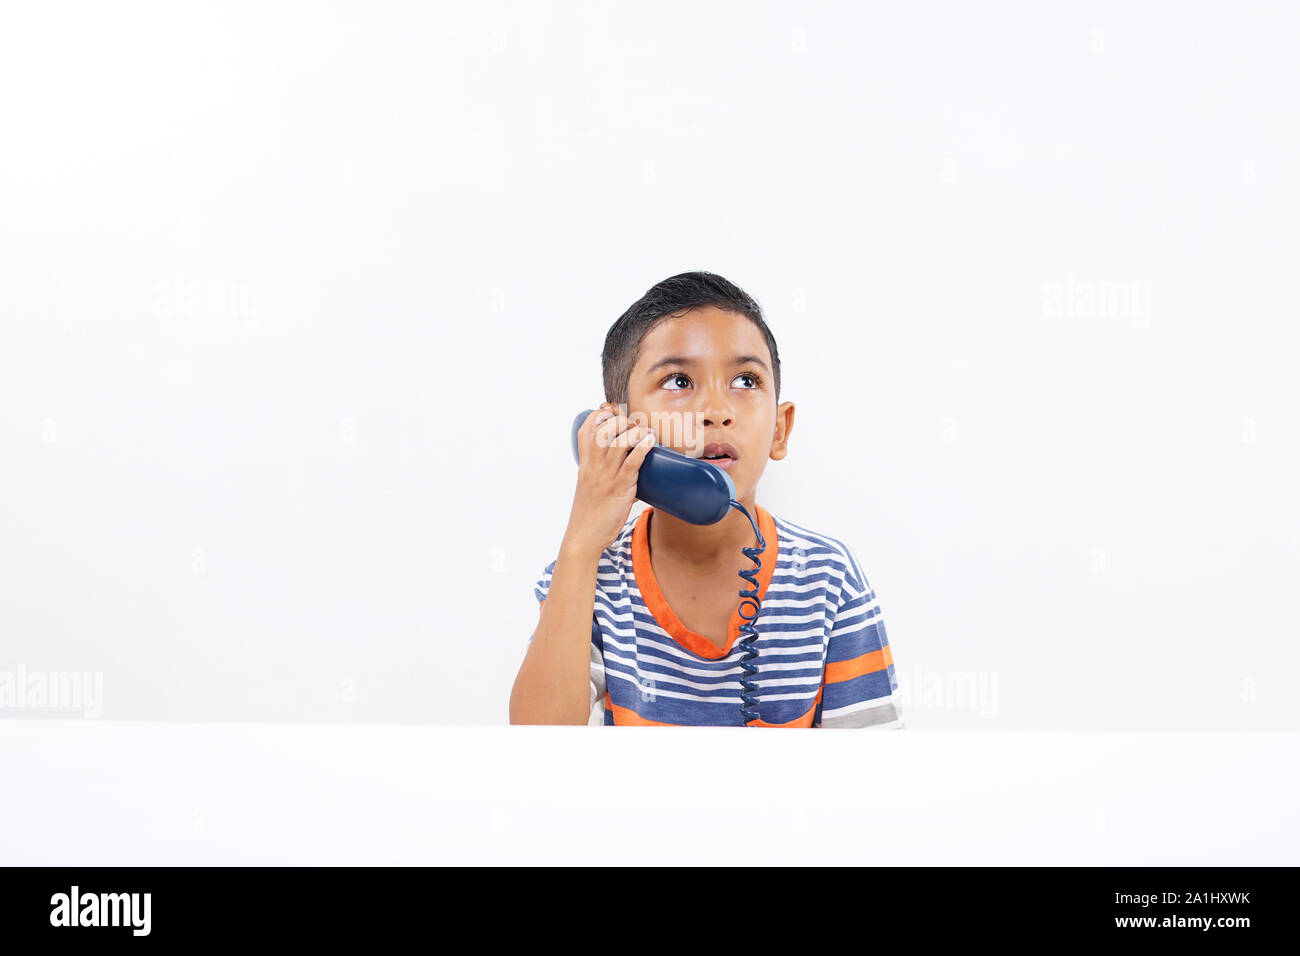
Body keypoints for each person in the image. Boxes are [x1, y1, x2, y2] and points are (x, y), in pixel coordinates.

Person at [509, 271, 903, 728]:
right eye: (678, 381)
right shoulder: (588, 579)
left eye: (746, 380)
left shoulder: (828, 580)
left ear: (780, 429)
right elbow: (536, 747)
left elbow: (875, 775)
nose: (716, 411)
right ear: (617, 427)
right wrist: (580, 543)